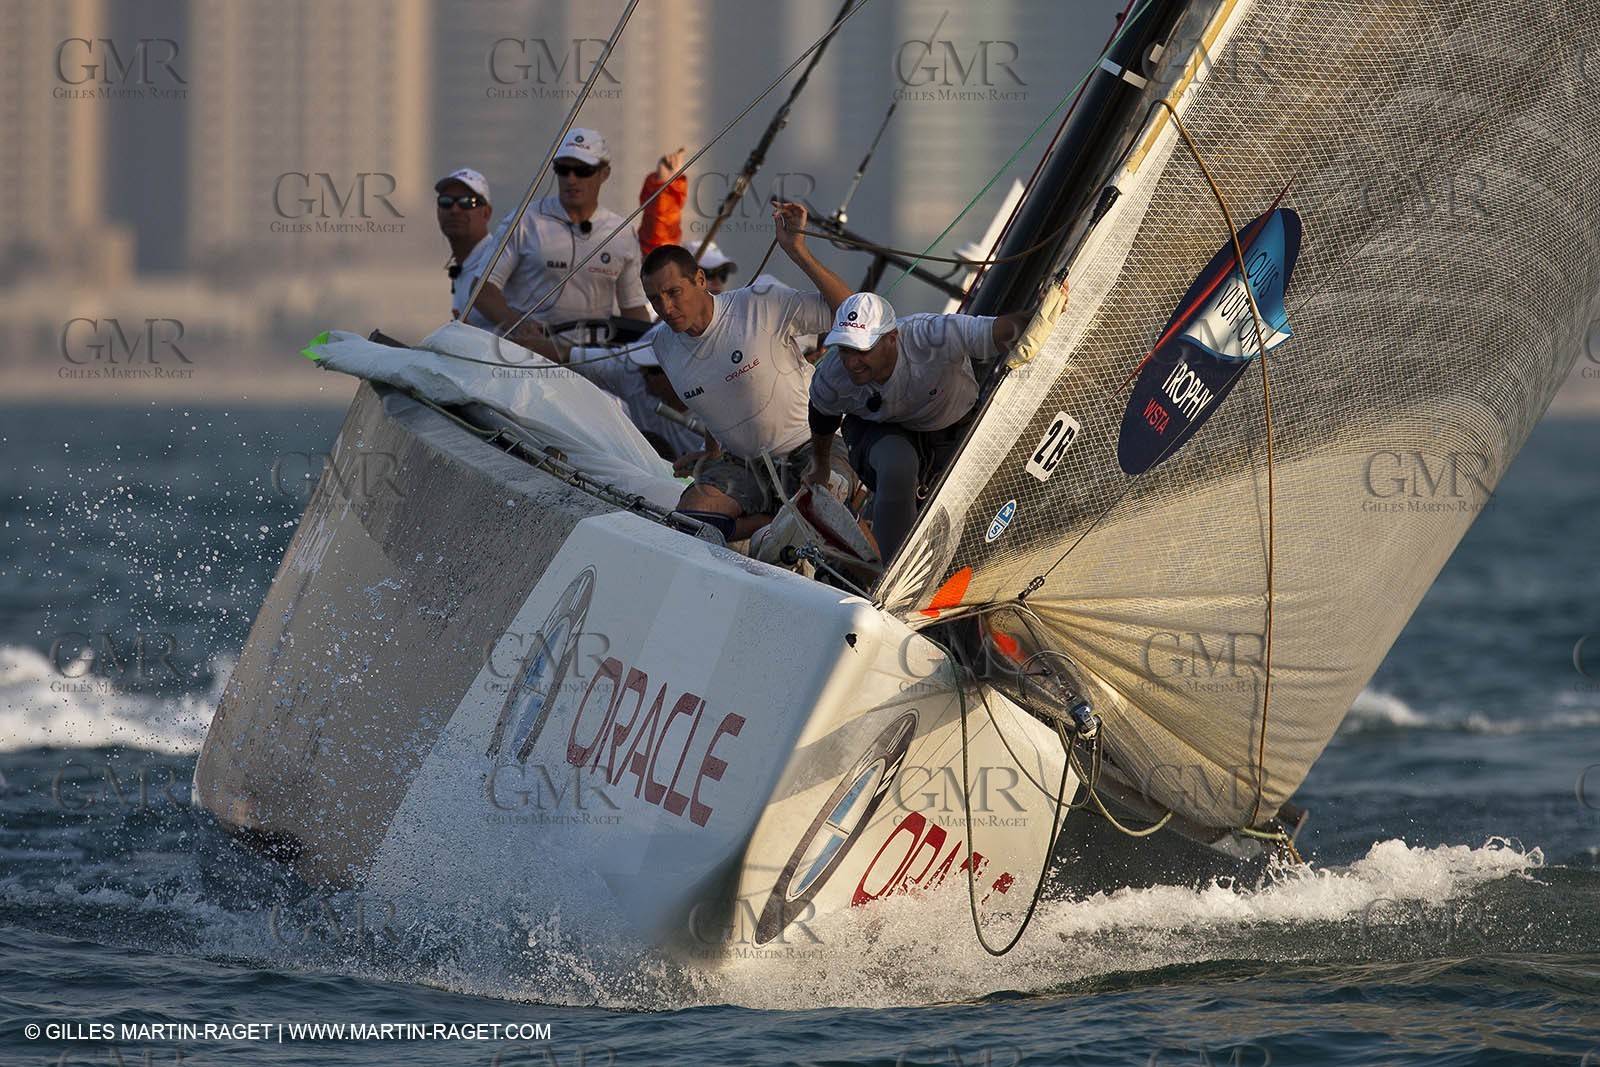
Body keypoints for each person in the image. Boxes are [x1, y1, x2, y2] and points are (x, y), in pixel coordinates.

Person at [640, 201, 854, 541]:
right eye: (654, 299)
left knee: (826, 504)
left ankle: (797, 517)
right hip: (745, 466)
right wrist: (711, 453)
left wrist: (798, 251)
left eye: (673, 293)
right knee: (690, 518)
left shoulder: (758, 302)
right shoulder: (664, 346)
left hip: (814, 447)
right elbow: (712, 398)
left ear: (699, 280)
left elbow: (851, 312)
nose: (665, 308)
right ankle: (779, 518)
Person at [803, 291, 1035, 560]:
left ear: (891, 338)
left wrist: (1047, 309)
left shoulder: (930, 335)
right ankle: (896, 578)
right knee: (898, 465)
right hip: (878, 430)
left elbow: (1003, 330)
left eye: (861, 350)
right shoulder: (832, 375)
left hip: (951, 428)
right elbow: (822, 416)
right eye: (844, 349)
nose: (851, 362)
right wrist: (820, 465)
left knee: (988, 501)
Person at [476, 128, 650, 339]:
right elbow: (482, 290)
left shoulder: (621, 233)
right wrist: (518, 327)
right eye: (563, 169)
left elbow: (633, 309)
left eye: (583, 171)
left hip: (590, 360)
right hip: (526, 356)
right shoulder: (524, 220)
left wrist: (652, 351)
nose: (571, 179)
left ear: (605, 174)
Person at [434, 168, 496, 330]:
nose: (455, 210)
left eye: (467, 202)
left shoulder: (499, 261)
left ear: (486, 213)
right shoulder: (464, 265)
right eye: (446, 202)